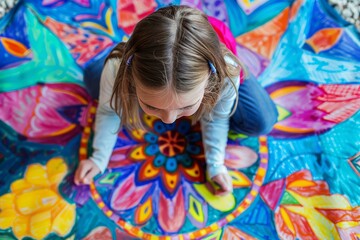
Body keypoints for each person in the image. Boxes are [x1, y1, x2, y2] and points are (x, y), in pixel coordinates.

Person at [74, 5, 278, 195]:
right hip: (144, 52)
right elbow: (109, 110)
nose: (169, 121)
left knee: (262, 121)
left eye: (186, 107)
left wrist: (216, 164)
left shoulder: (225, 73)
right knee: (94, 81)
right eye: (152, 106)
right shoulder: (119, 67)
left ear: (209, 86)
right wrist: (98, 158)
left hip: (219, 55)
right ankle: (131, 48)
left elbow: (216, 117)